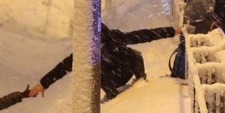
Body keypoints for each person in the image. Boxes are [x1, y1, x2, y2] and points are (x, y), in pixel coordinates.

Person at [29, 24, 178, 101]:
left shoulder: (114, 38)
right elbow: (62, 68)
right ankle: (112, 96)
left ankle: (141, 79)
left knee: (135, 54)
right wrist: (43, 84)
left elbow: (143, 35)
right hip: (113, 79)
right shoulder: (85, 53)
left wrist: (172, 31)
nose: (98, 48)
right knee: (94, 72)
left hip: (127, 69)